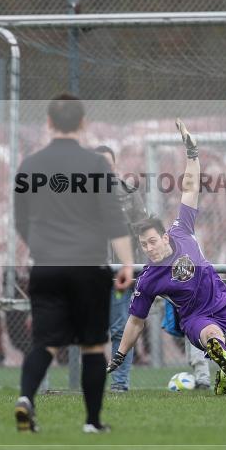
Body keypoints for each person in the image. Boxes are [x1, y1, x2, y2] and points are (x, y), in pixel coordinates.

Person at [107, 119, 226, 395]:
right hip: (196, 319)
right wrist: (120, 356)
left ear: (165, 237)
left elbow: (191, 186)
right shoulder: (148, 279)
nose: (148, 248)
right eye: (143, 245)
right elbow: (136, 320)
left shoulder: (182, 230)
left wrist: (192, 154)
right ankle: (218, 353)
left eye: (151, 241)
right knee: (212, 336)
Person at [12, 93, 134, 433]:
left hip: (47, 265)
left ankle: (26, 399)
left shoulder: (30, 165)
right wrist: (126, 263)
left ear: (49, 123)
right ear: (83, 123)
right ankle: (93, 422)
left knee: (46, 343)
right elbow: (113, 218)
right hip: (89, 267)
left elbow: (21, 219)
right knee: (94, 345)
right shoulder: (96, 165)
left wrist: (41, 247)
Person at [94, 145, 148, 392]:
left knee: (119, 328)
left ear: (114, 166)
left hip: (119, 274)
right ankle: (91, 382)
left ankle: (119, 384)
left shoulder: (128, 193)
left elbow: (143, 230)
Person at [161, 301, 212, 389]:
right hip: (186, 318)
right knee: (190, 356)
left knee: (197, 353)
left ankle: (203, 381)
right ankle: (200, 379)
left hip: (197, 315)